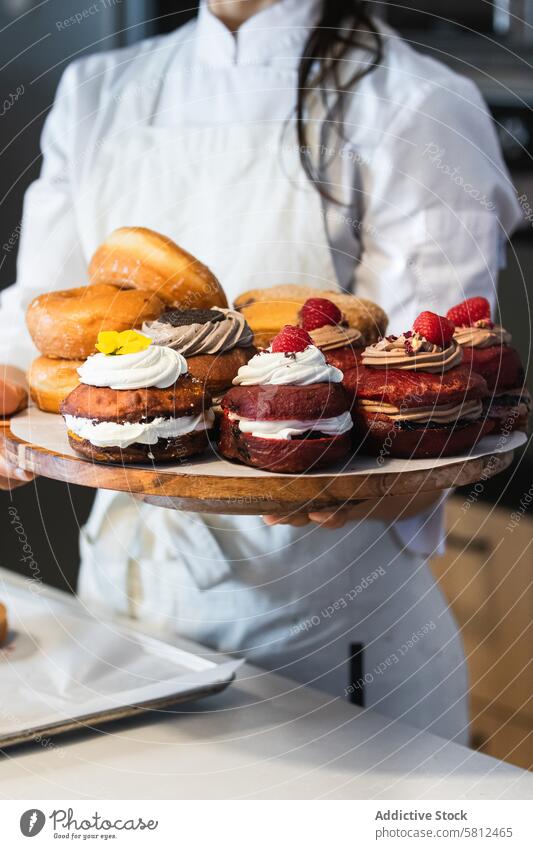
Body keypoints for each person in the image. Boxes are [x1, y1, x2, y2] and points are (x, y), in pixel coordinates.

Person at [0, 0, 521, 742]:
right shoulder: (98, 90)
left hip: (322, 628)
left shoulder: (417, 105)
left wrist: (361, 486)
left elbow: (429, 407)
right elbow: (37, 326)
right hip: (118, 596)